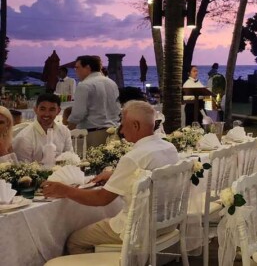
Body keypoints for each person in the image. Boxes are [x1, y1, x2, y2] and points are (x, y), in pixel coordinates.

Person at [43, 100, 178, 254]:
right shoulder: (168, 147)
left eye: (122, 122)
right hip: (165, 222)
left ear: (135, 126)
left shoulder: (134, 157)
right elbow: (148, 174)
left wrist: (65, 190)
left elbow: (101, 199)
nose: (121, 128)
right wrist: (115, 175)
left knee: (75, 240)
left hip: (136, 228)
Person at [67, 55, 121, 148]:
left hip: (93, 134)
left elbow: (78, 114)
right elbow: (117, 108)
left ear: (87, 67)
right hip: (114, 132)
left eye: (77, 67)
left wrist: (67, 132)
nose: (75, 71)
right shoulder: (112, 83)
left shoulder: (84, 85)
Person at [13, 93, 73, 165]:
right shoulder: (24, 137)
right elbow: (23, 170)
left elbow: (70, 158)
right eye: (42, 109)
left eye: (52, 109)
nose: (46, 114)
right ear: (35, 110)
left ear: (58, 111)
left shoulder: (64, 131)